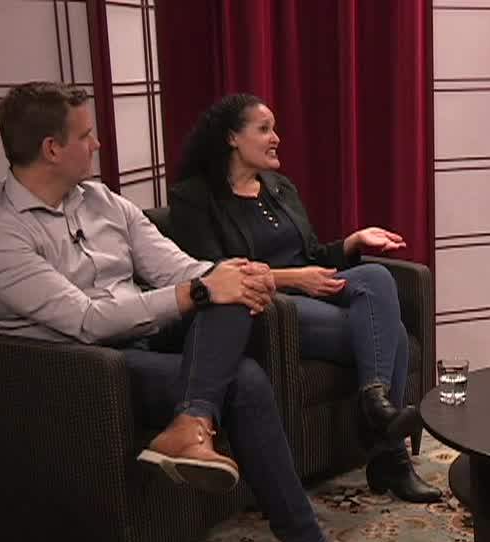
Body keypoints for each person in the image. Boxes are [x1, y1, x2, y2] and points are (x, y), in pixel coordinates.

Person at [0, 81, 394, 542]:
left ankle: (190, 424)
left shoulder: (102, 201)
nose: (97, 144)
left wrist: (237, 274)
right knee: (244, 379)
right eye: (86, 135)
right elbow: (86, 321)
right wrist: (200, 289)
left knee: (228, 289)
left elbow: (175, 266)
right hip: (83, 369)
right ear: (52, 149)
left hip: (144, 333)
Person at [168, 93, 441, 504]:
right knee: (396, 336)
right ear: (231, 138)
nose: (276, 138)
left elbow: (312, 256)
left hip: (312, 294)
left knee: (376, 276)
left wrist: (352, 241)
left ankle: (374, 401)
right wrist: (295, 279)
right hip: (265, 309)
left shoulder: (279, 188)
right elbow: (213, 273)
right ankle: (389, 452)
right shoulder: (194, 197)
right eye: (264, 129)